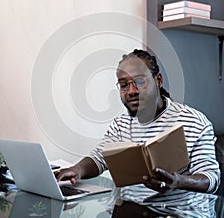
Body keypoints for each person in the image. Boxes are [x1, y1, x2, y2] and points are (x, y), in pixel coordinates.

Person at [56, 49, 220, 202]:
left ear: (159, 81)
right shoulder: (121, 123)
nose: (131, 91)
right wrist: (77, 170)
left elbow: (211, 179)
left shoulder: (194, 122)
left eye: (140, 81)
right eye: (124, 84)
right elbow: (99, 158)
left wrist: (179, 181)